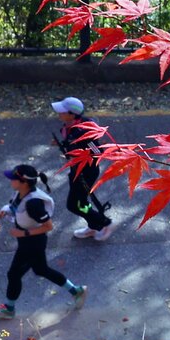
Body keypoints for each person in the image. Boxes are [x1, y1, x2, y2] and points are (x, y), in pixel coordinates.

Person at [0, 164, 86, 320]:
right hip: (28, 241)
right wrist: (4, 211)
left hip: (32, 243)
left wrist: (23, 233)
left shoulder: (34, 203)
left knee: (14, 274)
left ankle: (8, 309)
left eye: (13, 179)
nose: (11, 181)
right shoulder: (21, 193)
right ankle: (76, 291)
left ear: (24, 182)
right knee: (41, 269)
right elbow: (16, 208)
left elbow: (48, 226)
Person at [51, 95, 115, 241]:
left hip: (86, 172)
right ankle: (94, 226)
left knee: (74, 205)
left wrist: (79, 157)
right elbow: (71, 143)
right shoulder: (68, 127)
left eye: (62, 111)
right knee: (81, 202)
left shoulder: (85, 131)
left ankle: (104, 223)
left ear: (72, 114)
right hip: (75, 169)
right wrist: (65, 146)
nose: (59, 113)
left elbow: (97, 151)